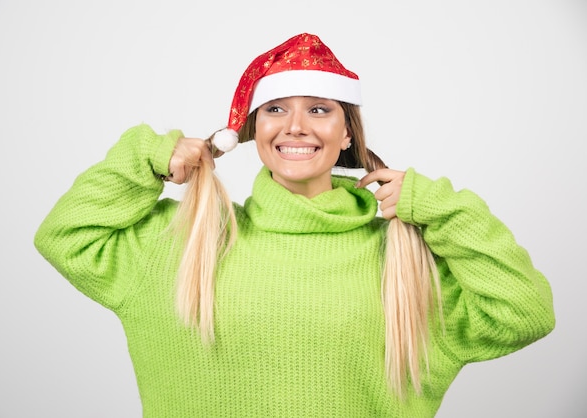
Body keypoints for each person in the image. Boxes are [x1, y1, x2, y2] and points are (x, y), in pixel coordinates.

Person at [34, 33, 555, 417]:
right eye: (277, 108)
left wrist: (441, 207)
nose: (296, 126)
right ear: (254, 130)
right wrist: (144, 158)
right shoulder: (180, 244)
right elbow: (66, 235)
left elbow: (524, 313)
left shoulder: (405, 265)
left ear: (347, 133)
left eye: (320, 109)